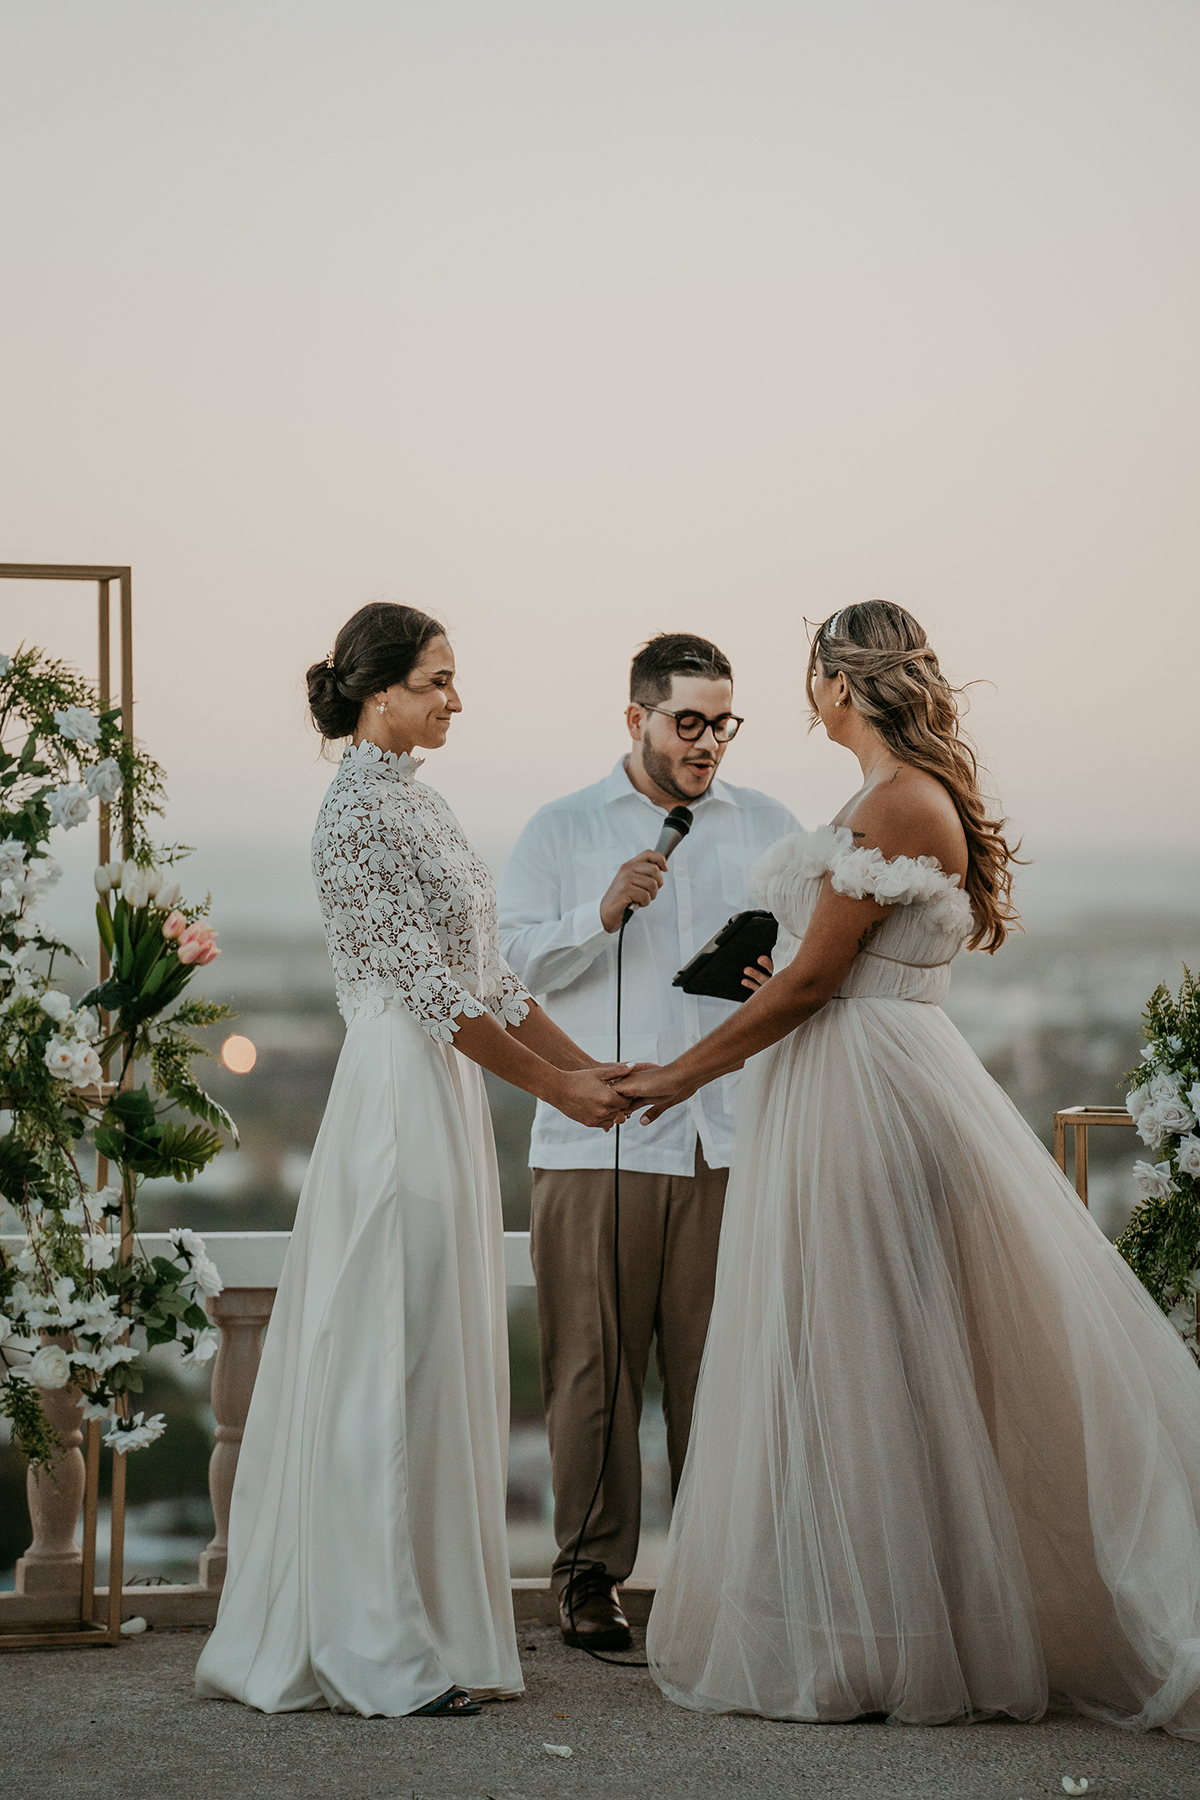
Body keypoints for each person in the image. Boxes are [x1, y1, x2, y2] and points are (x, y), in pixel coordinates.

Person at [615, 600, 1200, 1738]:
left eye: (813, 673)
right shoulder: (889, 795)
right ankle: (876, 1628)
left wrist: (679, 1075)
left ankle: (887, 1644)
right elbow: (827, 968)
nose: (808, 694)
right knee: (860, 1354)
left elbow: (816, 985)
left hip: (867, 1097)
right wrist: (773, 986)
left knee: (863, 1353)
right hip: (863, 1077)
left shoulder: (892, 801)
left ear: (842, 681)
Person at [196, 603, 632, 1718]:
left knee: (437, 1347)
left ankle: (436, 1626)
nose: (453, 699)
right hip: (396, 1090)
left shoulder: (424, 804)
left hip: (443, 1089)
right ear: (376, 690)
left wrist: (599, 1077)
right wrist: (558, 1093)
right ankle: (374, 1641)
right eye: (437, 679)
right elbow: (434, 1000)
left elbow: (488, 980)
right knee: (387, 1351)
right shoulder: (353, 818)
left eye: (453, 680)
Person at [497, 632, 800, 1650]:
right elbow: (506, 973)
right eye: (689, 721)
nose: (709, 740)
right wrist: (600, 911)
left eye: (724, 722)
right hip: (598, 1145)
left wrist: (776, 974)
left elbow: (807, 958)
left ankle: (725, 1579)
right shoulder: (562, 827)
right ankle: (588, 1582)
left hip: (727, 1139)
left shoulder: (769, 825)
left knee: (722, 1372)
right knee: (594, 1372)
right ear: (636, 719)